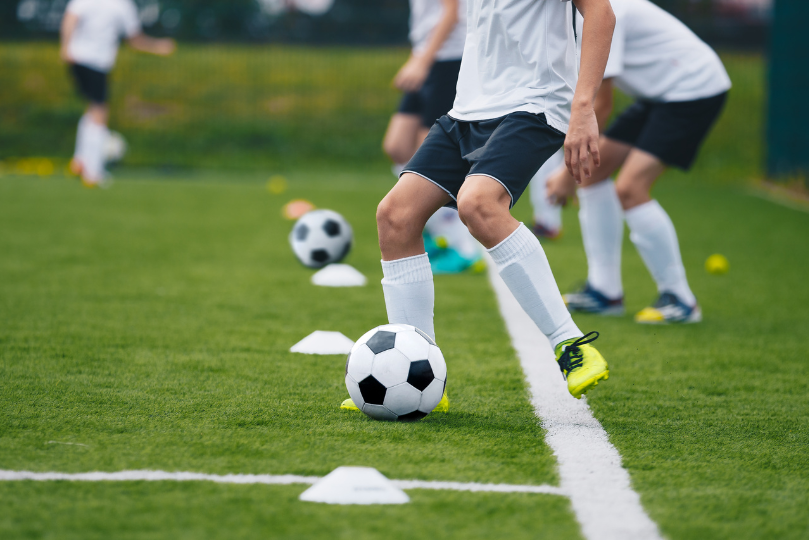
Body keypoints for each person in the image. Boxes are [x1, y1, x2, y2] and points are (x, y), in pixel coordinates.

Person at [374, 0, 616, 401]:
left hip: (533, 104)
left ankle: (573, 345)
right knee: (394, 216)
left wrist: (584, 105)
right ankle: (422, 377)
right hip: (467, 109)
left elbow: (601, 13)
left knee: (479, 203)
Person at [544, 0, 731, 324]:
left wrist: (564, 173)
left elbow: (598, 106)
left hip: (694, 89)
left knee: (631, 188)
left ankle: (681, 299)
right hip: (659, 94)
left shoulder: (607, 11)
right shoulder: (572, 13)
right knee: (591, 175)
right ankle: (604, 292)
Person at [382, 0, 483, 275]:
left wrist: (421, 62)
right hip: (427, 57)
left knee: (432, 156)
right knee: (397, 146)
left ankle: (461, 247)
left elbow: (451, 14)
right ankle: (436, 231)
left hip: (447, 60)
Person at [60, 0, 175, 187]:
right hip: (96, 62)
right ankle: (93, 173)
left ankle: (80, 161)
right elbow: (135, 40)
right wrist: (159, 47)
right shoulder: (122, 5)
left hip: (76, 58)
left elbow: (70, 18)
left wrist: (66, 46)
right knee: (100, 111)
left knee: (93, 108)